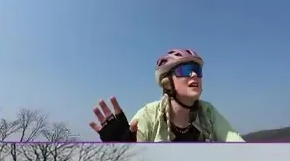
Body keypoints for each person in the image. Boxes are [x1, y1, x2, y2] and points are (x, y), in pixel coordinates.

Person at [90, 48, 244, 142]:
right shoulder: (148, 115)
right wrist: (121, 147)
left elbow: (236, 144)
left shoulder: (208, 113)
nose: (194, 75)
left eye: (197, 71)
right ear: (167, 82)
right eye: (186, 70)